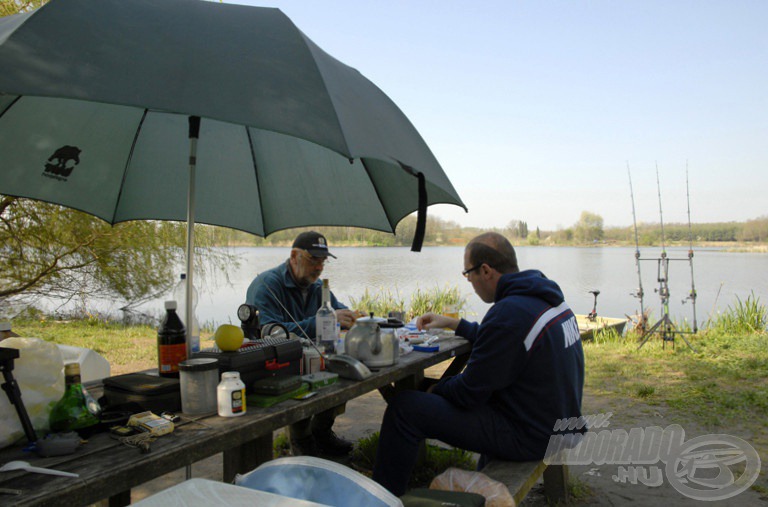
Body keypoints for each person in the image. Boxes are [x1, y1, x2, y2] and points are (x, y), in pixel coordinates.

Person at [372, 232, 585, 496]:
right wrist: (455, 323)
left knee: (404, 407)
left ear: (485, 270)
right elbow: (504, 341)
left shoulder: (509, 313)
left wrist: (432, 390)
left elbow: (468, 393)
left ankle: (380, 500)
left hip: (532, 436)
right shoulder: (542, 296)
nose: (469, 281)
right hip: (559, 423)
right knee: (429, 392)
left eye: (468, 273)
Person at [246, 231, 359, 457]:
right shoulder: (267, 285)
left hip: (313, 357)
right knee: (306, 377)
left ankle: (321, 431)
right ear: (294, 256)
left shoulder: (317, 287)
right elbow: (270, 333)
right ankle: (301, 438)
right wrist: (321, 322)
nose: (318, 268)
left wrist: (354, 318)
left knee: (346, 368)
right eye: (313, 260)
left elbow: (337, 311)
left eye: (322, 262)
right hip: (273, 365)